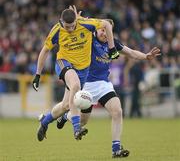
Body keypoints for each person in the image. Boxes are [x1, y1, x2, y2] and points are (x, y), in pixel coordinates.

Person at [56, 19, 160, 157]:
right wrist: (77, 19)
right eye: (102, 30)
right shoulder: (88, 38)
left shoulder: (113, 44)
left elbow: (131, 53)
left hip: (103, 84)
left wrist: (146, 56)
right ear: (97, 29)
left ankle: (116, 148)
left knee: (117, 111)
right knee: (84, 121)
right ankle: (65, 117)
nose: (104, 33)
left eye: (107, 31)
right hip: (86, 85)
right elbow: (73, 33)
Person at [32, 6, 119, 142]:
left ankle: (45, 121)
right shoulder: (57, 30)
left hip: (83, 69)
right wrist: (37, 74)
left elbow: (107, 24)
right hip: (64, 63)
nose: (71, 29)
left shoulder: (85, 24)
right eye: (68, 27)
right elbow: (44, 51)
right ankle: (76, 128)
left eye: (73, 26)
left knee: (66, 105)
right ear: (61, 21)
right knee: (75, 85)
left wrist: (112, 48)